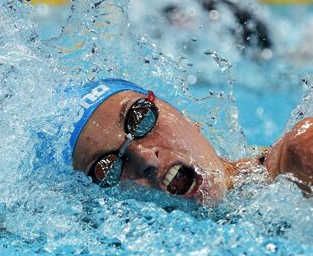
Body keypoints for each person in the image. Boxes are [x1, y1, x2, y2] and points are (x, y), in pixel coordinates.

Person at [70, 79, 313, 204]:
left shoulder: (300, 154)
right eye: (108, 167)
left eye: (140, 117)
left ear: (185, 117)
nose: (145, 159)